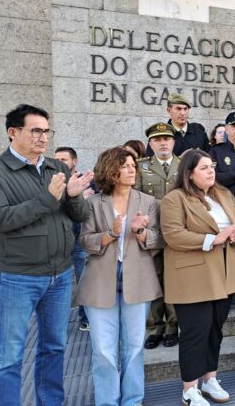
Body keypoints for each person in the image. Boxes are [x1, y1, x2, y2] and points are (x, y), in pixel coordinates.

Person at [0, 104, 92, 406]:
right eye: (35, 130)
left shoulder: (56, 167)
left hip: (60, 276)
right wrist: (48, 198)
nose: (43, 137)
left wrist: (74, 197)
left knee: (55, 348)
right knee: (9, 356)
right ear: (13, 132)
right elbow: (0, 219)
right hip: (17, 277)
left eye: (46, 131)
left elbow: (78, 215)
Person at [77, 147, 163, 406]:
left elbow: (159, 239)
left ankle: (133, 400)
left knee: (135, 346)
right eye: (125, 165)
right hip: (100, 280)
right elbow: (84, 241)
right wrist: (111, 234)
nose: (131, 169)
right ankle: (107, 401)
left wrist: (140, 232)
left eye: (133, 165)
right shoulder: (93, 203)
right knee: (103, 350)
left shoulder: (148, 201)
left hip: (138, 279)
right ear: (110, 170)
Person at [160, 150, 235, 406]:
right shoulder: (175, 198)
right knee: (195, 332)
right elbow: (173, 234)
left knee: (214, 331)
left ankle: (210, 379)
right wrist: (212, 239)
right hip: (193, 276)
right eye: (204, 168)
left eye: (212, 166)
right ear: (189, 173)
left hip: (224, 273)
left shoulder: (223, 194)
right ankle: (189, 388)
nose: (211, 172)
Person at [136, 123, 180, 350]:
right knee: (153, 281)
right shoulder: (140, 167)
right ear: (151, 144)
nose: (163, 143)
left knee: (173, 281)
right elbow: (136, 199)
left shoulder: (183, 166)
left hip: (177, 233)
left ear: (173, 142)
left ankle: (173, 327)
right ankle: (154, 329)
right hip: (151, 233)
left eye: (167, 139)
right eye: (157, 139)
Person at [55, 146, 92, 331]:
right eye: (57, 159)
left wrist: (82, 199)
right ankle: (55, 323)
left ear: (74, 161)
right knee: (57, 283)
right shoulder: (51, 182)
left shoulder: (86, 182)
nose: (59, 163)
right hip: (59, 240)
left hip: (79, 240)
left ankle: (85, 317)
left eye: (64, 159)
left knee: (84, 280)